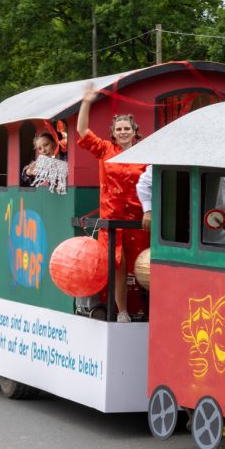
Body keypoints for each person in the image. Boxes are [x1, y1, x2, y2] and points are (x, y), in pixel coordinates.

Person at [76, 85, 150, 321]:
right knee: (118, 266)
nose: (123, 132)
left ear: (135, 131)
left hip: (140, 220)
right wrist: (86, 102)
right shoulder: (106, 150)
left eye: (127, 128)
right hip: (112, 220)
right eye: (119, 129)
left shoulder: (147, 153)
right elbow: (82, 131)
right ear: (114, 133)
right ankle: (122, 312)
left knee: (144, 265)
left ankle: (150, 310)